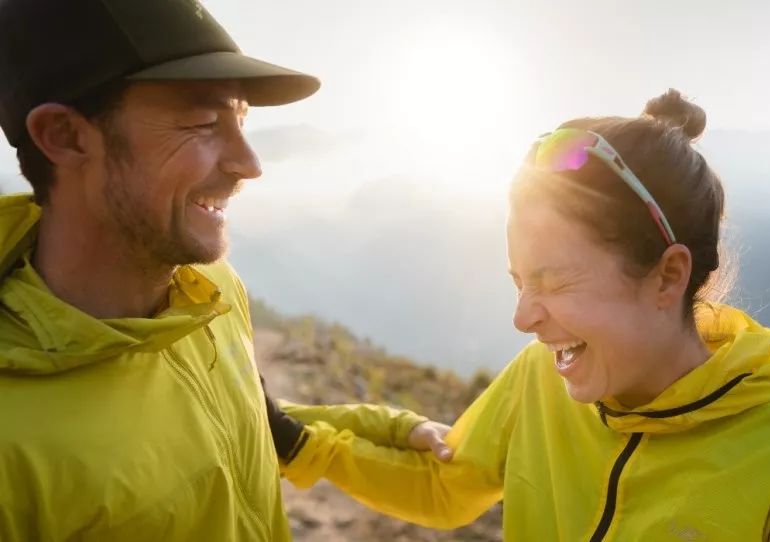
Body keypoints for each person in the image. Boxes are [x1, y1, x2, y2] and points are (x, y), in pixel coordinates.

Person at [281, 90, 770, 540]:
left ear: (668, 276)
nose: (522, 318)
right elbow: (446, 487)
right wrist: (290, 438)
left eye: (553, 281)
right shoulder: (541, 380)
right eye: (519, 282)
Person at [0, 1, 449, 540]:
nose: (250, 163)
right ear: (65, 136)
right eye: (202, 122)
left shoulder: (209, 289)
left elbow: (247, 422)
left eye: (240, 120)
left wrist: (396, 429)